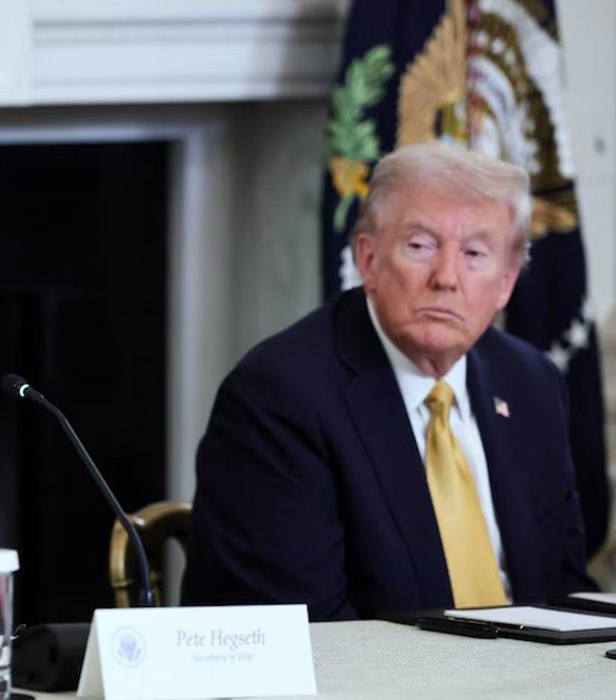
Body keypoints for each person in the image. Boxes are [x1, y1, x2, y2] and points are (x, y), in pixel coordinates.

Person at [181, 143, 595, 620]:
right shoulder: (279, 399)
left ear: (506, 282)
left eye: (474, 253)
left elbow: (563, 591)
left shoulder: (531, 383)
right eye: (420, 246)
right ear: (369, 258)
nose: (446, 277)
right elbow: (311, 631)